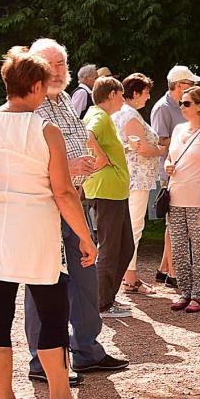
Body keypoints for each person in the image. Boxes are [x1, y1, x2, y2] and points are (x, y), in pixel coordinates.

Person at [0, 47, 102, 399]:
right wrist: (84, 236)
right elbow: (63, 192)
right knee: (52, 316)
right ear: (37, 86)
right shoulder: (45, 129)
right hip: (35, 233)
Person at [25, 38, 129, 383]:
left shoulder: (67, 99)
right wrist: (68, 165)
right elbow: (25, 161)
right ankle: (43, 362)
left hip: (75, 199)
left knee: (85, 271)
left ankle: (87, 350)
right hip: (43, 204)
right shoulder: (28, 105)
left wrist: (86, 163)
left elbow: (78, 142)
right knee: (44, 280)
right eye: (49, 63)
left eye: (60, 63)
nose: (56, 70)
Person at [165, 86, 200, 312]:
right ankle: (184, 291)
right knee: (178, 248)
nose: (182, 107)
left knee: (199, 248)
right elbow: (171, 157)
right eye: (181, 103)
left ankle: (198, 294)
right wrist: (168, 165)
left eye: (187, 103)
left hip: (199, 198)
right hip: (175, 196)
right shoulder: (178, 130)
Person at [83, 75, 135, 317]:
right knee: (111, 248)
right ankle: (101, 304)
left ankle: (107, 299)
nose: (123, 100)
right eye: (121, 95)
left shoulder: (103, 117)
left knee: (125, 247)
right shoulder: (98, 116)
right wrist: (102, 158)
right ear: (112, 94)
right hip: (107, 191)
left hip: (113, 191)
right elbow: (87, 135)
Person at [150, 66, 200, 290]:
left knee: (173, 225)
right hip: (170, 173)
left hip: (181, 171)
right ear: (180, 85)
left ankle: (163, 269)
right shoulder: (163, 108)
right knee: (174, 225)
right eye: (190, 84)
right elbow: (159, 141)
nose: (194, 88)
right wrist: (191, 137)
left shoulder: (178, 105)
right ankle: (173, 273)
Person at [113, 73, 162, 296]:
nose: (148, 97)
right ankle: (130, 277)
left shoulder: (118, 113)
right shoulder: (130, 115)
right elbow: (140, 147)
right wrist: (162, 150)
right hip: (136, 178)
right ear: (135, 93)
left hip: (128, 177)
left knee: (127, 227)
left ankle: (125, 275)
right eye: (146, 92)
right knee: (134, 227)